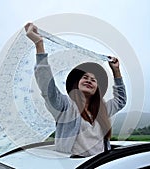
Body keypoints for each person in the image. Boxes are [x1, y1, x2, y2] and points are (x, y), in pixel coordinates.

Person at [25, 23, 127, 157]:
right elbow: (47, 87)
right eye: (85, 77)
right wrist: (39, 44)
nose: (89, 80)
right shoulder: (66, 107)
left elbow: (121, 101)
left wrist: (116, 70)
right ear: (76, 84)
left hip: (98, 165)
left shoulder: (103, 110)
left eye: (93, 79)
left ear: (97, 88)